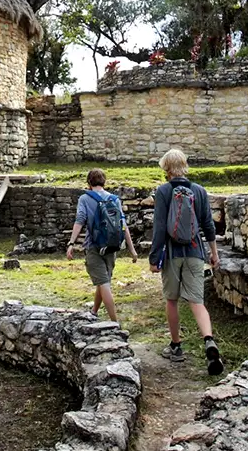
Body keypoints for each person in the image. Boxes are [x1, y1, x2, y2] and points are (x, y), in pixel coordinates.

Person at [149, 149, 224, 376]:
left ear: (166, 168)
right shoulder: (199, 191)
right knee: (197, 301)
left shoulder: (163, 191)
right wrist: (214, 253)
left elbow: (160, 228)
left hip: (172, 254)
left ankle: (176, 346)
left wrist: (154, 258)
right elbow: (208, 225)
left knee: (171, 300)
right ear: (185, 165)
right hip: (195, 251)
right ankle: (209, 341)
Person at [66, 168, 139, 324]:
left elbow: (80, 221)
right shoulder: (114, 199)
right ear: (104, 181)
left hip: (94, 246)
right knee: (103, 280)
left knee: (104, 284)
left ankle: (114, 323)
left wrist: (71, 243)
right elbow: (123, 225)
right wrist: (132, 250)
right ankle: (94, 311)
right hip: (112, 246)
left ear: (89, 182)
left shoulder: (85, 199)